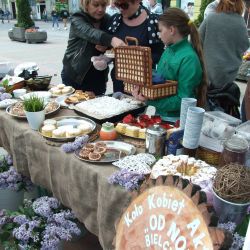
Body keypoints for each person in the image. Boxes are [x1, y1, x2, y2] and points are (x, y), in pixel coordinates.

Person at [132, 7, 207, 122]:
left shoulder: (189, 58)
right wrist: (144, 79)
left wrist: (149, 100)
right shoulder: (168, 50)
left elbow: (184, 99)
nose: (159, 34)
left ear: (172, 30)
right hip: (160, 115)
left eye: (160, 30)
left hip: (176, 120)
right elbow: (161, 78)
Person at [61, 0, 125, 95]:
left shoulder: (107, 19)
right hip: (75, 75)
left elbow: (112, 48)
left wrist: (108, 47)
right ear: (86, 4)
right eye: (95, 5)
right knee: (74, 106)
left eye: (103, 5)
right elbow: (90, 33)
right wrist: (111, 40)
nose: (100, 9)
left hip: (98, 77)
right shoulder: (77, 18)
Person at [199, 0, 249, 118]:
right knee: (223, 120)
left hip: (208, 79)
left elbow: (196, 42)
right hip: (227, 81)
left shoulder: (211, 18)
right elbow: (245, 45)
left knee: (204, 119)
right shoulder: (240, 22)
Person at [107, 0, 164, 93]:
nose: (120, 8)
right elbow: (108, 49)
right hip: (119, 80)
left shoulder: (153, 21)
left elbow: (159, 53)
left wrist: (138, 60)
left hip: (142, 84)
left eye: (124, 5)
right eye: (117, 4)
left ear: (138, 1)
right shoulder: (114, 20)